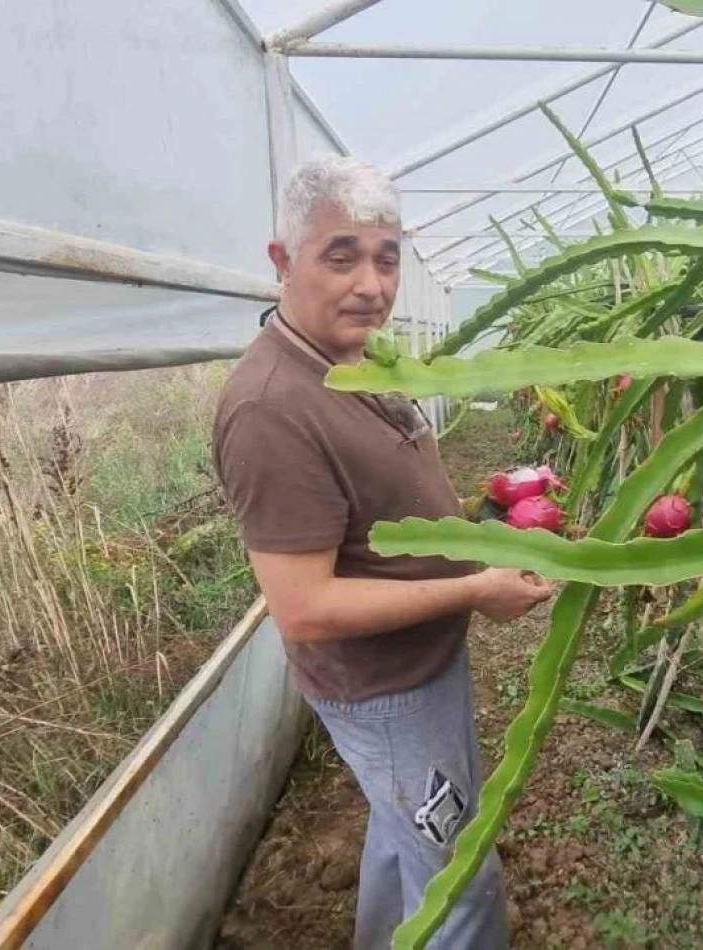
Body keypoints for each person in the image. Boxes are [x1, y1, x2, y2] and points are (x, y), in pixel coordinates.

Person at [212, 154, 553, 950]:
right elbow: (305, 607)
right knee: (459, 880)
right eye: (341, 256)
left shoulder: (347, 359)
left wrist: (480, 530)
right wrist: (472, 589)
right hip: (384, 691)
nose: (371, 284)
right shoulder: (272, 410)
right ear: (282, 261)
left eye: (386, 257)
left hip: (417, 671)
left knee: (409, 843)